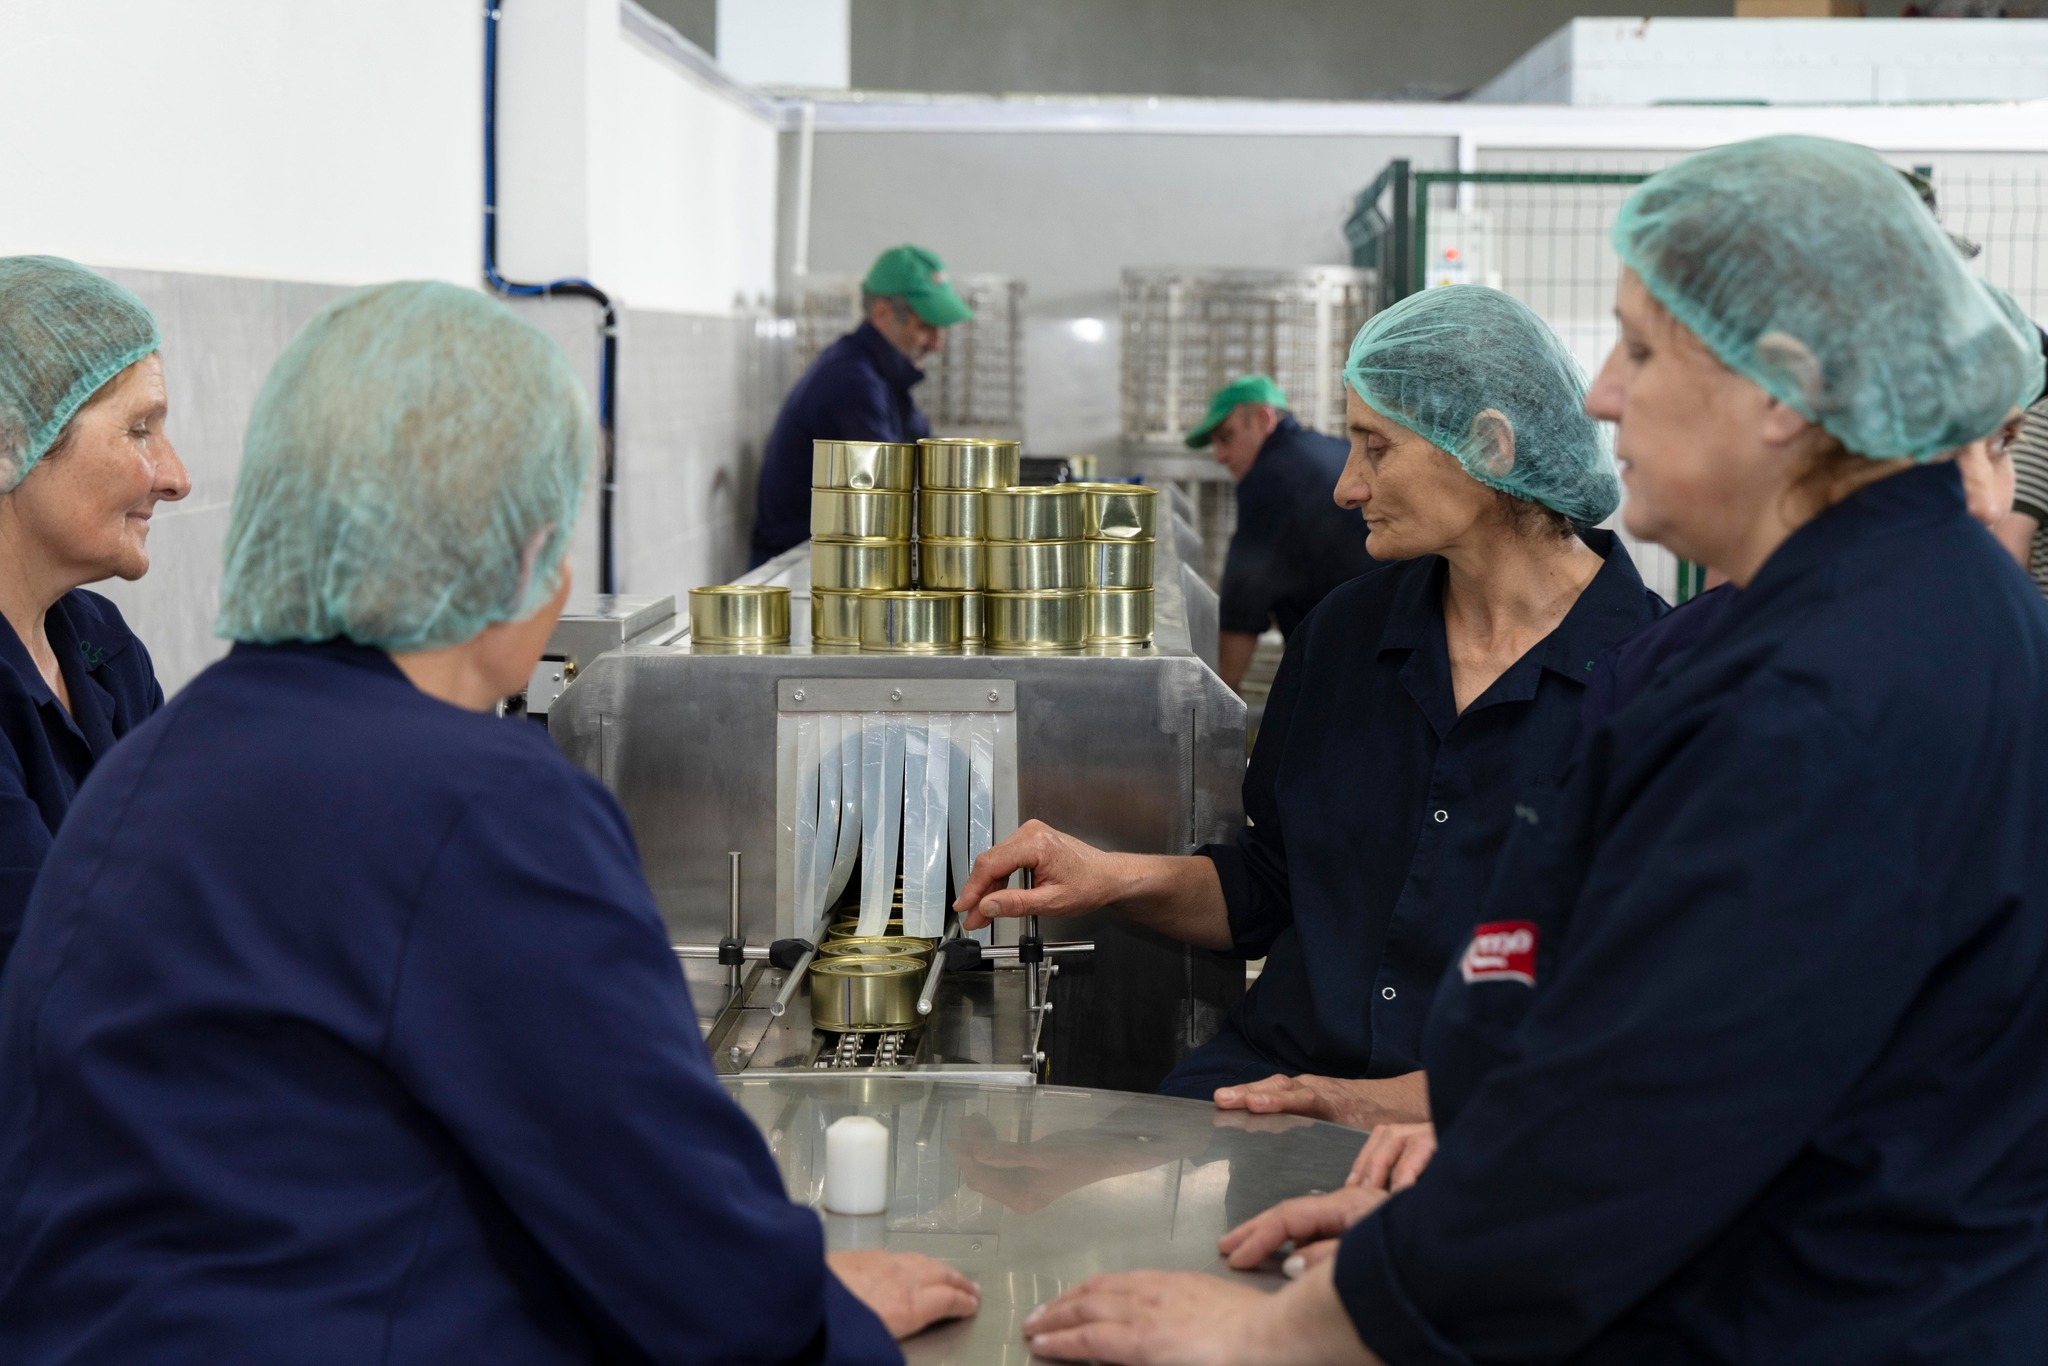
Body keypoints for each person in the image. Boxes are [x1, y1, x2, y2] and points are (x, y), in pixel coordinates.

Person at [1022, 134, 2048, 1366]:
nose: (1600, 394)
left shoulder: (1814, 694)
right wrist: (1437, 1231)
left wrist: (1283, 1334)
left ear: (1781, 391)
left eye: (1641, 349)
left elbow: (1629, 1122)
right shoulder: (1926, 614)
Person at [0, 282, 976, 1362]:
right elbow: (690, 1255)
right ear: (508, 555)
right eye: (554, 535)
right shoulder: (487, 808)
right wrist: (825, 1311)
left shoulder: (159, 758)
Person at [957, 286, 1663, 1125]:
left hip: (1494, 1129)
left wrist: (1372, 1106)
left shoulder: (1654, 686)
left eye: (1376, 448)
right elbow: (1274, 883)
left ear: (1489, 446)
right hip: (1274, 1083)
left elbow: (1639, 1008)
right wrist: (1110, 875)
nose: (1346, 488)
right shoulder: (1346, 636)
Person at [0, 257, 188, 970]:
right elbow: (47, 969)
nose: (176, 478)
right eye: (139, 429)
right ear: (10, 441)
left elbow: (186, 884)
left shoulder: (100, 644)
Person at [750, 244, 974, 565]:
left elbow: (924, 459)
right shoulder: (852, 382)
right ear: (882, 314)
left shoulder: (883, 377)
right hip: (803, 569)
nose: (937, 344)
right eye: (926, 327)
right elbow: (889, 497)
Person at [1187, 374, 1379, 691]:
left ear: (1264, 419)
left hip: (1355, 664)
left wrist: (1212, 701)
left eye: (1226, 437)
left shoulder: (1270, 478)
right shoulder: (1329, 448)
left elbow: (1241, 609)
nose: (1219, 456)